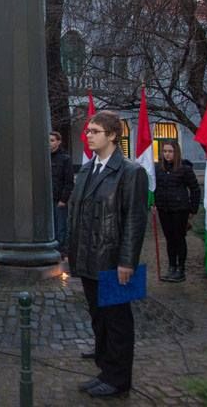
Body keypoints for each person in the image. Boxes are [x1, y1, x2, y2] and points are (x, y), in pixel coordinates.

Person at [68, 110, 147, 398]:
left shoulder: (131, 171)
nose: (88, 135)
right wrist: (71, 252)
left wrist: (128, 261)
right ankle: (104, 370)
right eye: (87, 131)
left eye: (95, 131)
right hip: (88, 258)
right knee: (98, 318)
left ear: (113, 135)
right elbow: (78, 214)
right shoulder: (87, 169)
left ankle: (118, 379)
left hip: (114, 259)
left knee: (118, 322)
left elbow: (135, 221)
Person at [154, 140, 200, 283]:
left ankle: (181, 269)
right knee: (169, 239)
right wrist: (154, 201)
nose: (167, 154)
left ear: (176, 152)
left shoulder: (184, 169)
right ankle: (171, 266)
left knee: (179, 238)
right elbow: (155, 187)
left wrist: (193, 209)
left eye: (170, 151)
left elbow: (195, 189)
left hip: (180, 209)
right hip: (164, 208)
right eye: (165, 151)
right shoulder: (158, 169)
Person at [49, 131, 74, 257]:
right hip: (47, 200)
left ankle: (60, 251)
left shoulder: (65, 158)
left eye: (52, 140)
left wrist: (63, 200)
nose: (49, 143)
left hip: (59, 199)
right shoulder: (44, 158)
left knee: (60, 227)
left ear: (59, 142)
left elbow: (69, 181)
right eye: (48, 140)